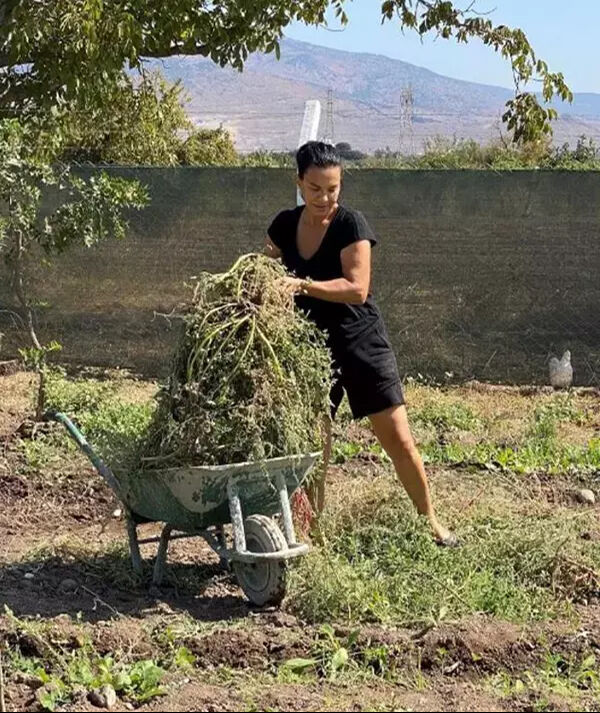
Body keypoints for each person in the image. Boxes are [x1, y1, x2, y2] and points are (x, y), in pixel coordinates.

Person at [265, 141, 456, 546]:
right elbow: (264, 272)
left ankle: (431, 522)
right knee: (314, 443)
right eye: (315, 188)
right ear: (299, 182)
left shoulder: (352, 224)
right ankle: (313, 531)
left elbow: (356, 287)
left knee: (398, 438)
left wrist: (301, 284)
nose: (325, 197)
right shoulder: (284, 225)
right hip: (312, 350)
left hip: (360, 342)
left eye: (333, 188)